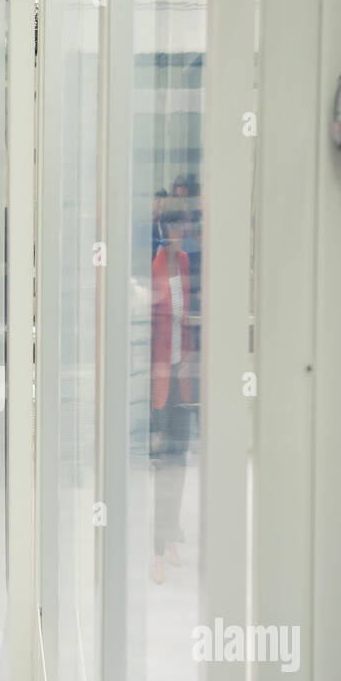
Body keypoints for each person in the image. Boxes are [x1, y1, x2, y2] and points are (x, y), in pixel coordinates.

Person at [149, 237, 194, 583]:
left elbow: (187, 323)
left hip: (181, 379)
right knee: (164, 466)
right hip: (160, 382)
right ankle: (157, 551)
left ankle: (170, 535)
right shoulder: (156, 266)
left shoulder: (185, 266)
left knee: (178, 462)